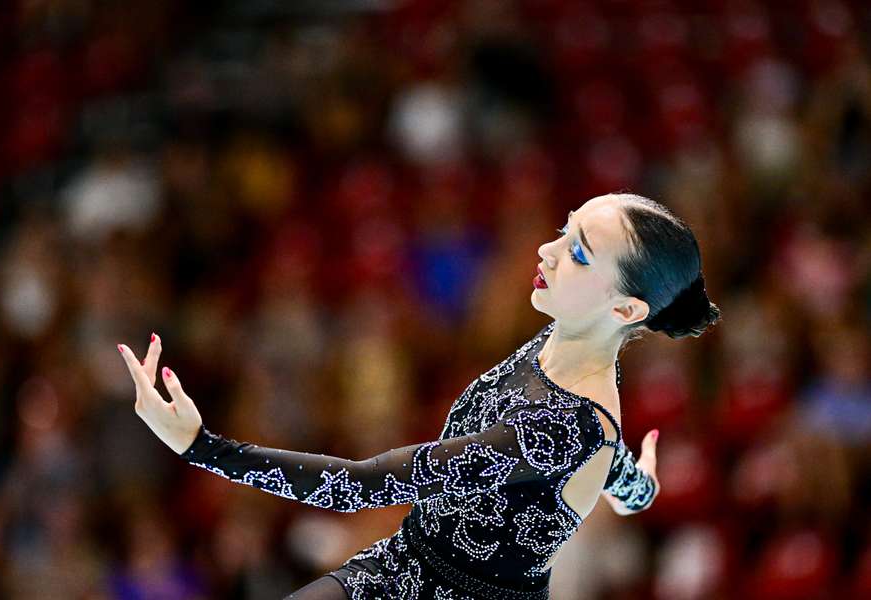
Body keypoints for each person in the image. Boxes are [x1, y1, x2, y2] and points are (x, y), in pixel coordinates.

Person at [117, 193, 722, 599]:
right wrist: (638, 484)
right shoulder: (565, 346)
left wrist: (201, 446)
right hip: (401, 565)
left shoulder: (565, 422)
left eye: (577, 253)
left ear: (625, 308)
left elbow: (363, 486)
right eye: (565, 232)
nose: (547, 250)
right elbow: (616, 471)